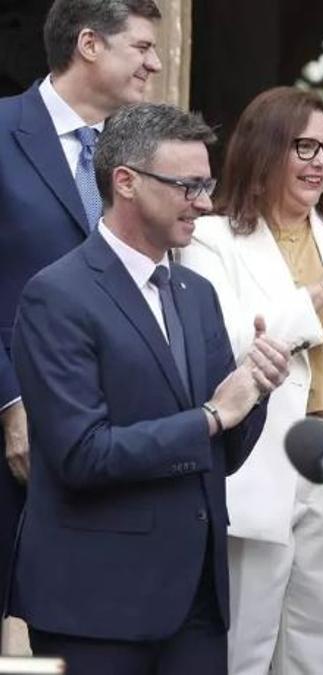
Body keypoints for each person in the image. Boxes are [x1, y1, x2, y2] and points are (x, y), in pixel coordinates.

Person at [9, 102, 290, 674]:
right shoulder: (56, 296)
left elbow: (222, 454)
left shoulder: (196, 291)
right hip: (95, 606)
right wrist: (213, 415)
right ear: (126, 183)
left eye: (206, 185)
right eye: (188, 186)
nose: (206, 203)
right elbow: (80, 456)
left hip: (196, 605)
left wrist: (255, 388)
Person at [177, 86, 323, 675]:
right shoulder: (212, 238)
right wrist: (320, 292)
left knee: (321, 649)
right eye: (303, 146)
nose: (320, 162)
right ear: (264, 150)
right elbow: (229, 344)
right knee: (245, 643)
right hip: (258, 456)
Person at [0, 0, 162, 618]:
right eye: (142, 48)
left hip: (116, 443)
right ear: (90, 45)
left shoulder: (144, 156)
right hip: (15, 430)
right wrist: (10, 403)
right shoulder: (3, 130)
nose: (154, 64)